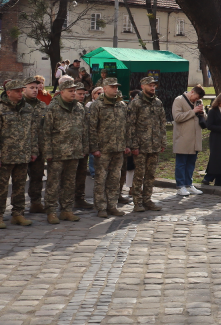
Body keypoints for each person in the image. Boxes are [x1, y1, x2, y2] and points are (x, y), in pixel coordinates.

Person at [0, 79, 36, 228]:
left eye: (21, 90)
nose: (20, 93)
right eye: (16, 91)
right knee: (2, 188)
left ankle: (18, 214)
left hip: (23, 154)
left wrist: (33, 150)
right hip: (5, 156)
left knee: (20, 187)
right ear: (8, 93)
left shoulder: (27, 108)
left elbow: (33, 132)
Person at [41, 77, 88, 224]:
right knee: (53, 184)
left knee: (69, 183)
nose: (74, 93)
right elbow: (46, 132)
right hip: (57, 152)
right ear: (62, 92)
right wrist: (48, 152)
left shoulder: (79, 108)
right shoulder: (52, 108)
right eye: (70, 91)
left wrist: (84, 147)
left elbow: (84, 130)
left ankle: (67, 210)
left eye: (75, 91)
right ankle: (51, 211)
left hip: (74, 152)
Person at [87, 78, 129, 218]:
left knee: (115, 179)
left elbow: (125, 126)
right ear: (104, 88)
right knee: (101, 179)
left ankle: (112, 205)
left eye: (116, 87)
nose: (115, 89)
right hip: (103, 149)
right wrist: (94, 148)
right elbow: (91, 128)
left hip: (118, 148)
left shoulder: (121, 105)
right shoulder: (97, 105)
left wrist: (126, 144)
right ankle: (101, 207)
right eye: (112, 87)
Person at [126, 76, 166, 212]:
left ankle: (147, 200)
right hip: (141, 146)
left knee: (150, 175)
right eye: (150, 85)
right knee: (139, 175)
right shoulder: (136, 103)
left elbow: (162, 123)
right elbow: (130, 126)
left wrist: (162, 142)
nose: (153, 87)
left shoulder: (158, 103)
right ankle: (137, 202)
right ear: (142, 86)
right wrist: (134, 146)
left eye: (154, 85)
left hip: (154, 145)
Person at [172, 85, 206, 196]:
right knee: (181, 163)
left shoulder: (198, 101)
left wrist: (202, 112)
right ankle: (180, 185)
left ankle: (188, 184)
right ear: (192, 92)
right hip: (183, 137)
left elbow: (204, 117)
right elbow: (177, 117)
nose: (196, 100)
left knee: (191, 163)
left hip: (195, 138)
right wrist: (193, 111)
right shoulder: (179, 100)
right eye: (196, 97)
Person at [22, 76, 49, 214]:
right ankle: (18, 207)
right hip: (20, 148)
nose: (35, 90)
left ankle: (36, 202)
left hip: (38, 147)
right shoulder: (18, 105)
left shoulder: (41, 105)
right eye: (31, 87)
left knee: (37, 176)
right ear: (23, 89)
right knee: (19, 179)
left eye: (36, 87)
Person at [72, 84, 95, 211]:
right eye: (79, 94)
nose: (82, 96)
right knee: (67, 177)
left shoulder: (83, 108)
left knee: (81, 175)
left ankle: (79, 199)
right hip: (67, 150)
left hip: (82, 148)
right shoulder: (63, 107)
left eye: (83, 94)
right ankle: (65, 201)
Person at [203, 93, 221, 187]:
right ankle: (209, 177)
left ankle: (220, 180)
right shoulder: (213, 112)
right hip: (216, 138)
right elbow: (209, 126)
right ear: (218, 102)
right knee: (216, 158)